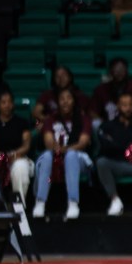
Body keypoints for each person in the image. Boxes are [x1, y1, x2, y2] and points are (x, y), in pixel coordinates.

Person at [32, 88, 92, 219]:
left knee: (70, 155)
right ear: (57, 102)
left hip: (78, 157)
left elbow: (83, 143)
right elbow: (48, 142)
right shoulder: (50, 119)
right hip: (54, 156)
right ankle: (40, 202)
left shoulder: (83, 119)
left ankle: (73, 202)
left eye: (68, 98)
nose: (65, 102)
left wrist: (64, 149)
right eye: (62, 99)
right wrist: (58, 150)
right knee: (47, 155)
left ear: (74, 101)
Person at [0, 90, 33, 204]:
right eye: (3, 102)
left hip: (16, 158)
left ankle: (19, 206)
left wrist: (12, 155)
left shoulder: (21, 122)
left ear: (13, 104)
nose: (7, 105)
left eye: (9, 102)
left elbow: (26, 145)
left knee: (20, 168)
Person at [89, 57, 132, 126]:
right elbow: (93, 112)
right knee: (95, 123)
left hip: (130, 124)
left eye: (122, 69)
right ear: (110, 71)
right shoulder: (101, 89)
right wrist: (105, 124)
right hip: (107, 124)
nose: (119, 72)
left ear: (127, 70)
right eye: (116, 69)